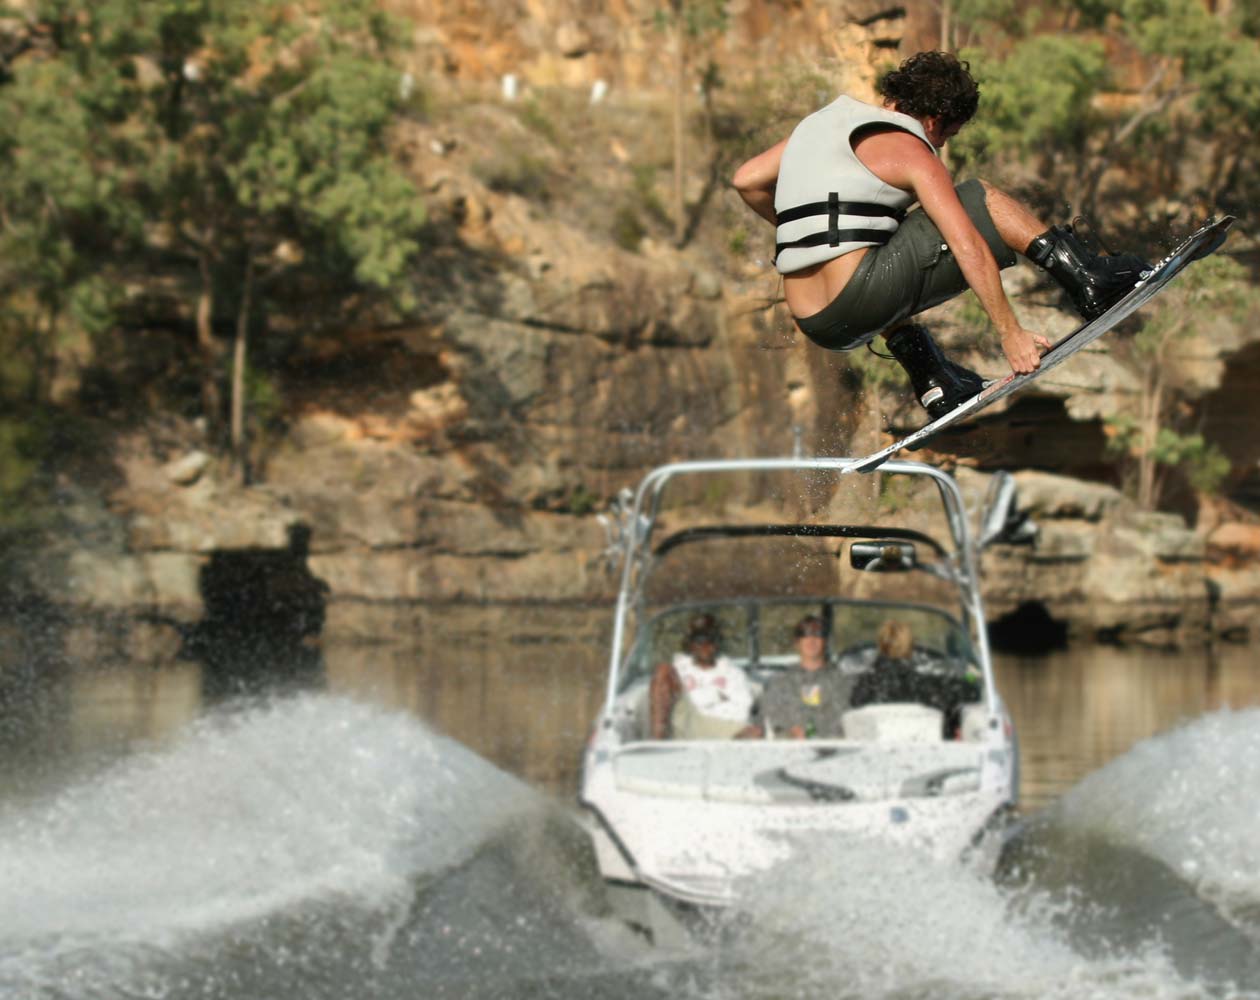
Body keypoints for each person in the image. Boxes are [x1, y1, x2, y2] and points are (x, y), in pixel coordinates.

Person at [732, 51, 1150, 420]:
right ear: (934, 121)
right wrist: (1011, 332)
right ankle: (1088, 279)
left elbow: (747, 179)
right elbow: (968, 245)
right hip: (859, 298)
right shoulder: (912, 150)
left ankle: (933, 380)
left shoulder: (821, 125)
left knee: (877, 251)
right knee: (979, 196)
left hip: (813, 320)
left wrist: (809, 238)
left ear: (894, 98)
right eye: (946, 136)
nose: (942, 146)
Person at [849, 619, 980, 737]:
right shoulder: (923, 686)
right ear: (910, 648)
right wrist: (971, 676)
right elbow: (970, 692)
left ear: (880, 645)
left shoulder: (861, 690)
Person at [649, 613, 757, 740]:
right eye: (699, 639)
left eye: (711, 638)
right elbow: (673, 711)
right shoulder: (677, 671)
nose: (705, 644)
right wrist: (716, 696)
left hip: (721, 728)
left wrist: (701, 703)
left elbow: (741, 713)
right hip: (688, 725)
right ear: (690, 643)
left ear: (717, 642)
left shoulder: (734, 674)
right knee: (662, 670)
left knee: (755, 733)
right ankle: (657, 745)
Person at [750, 614, 855, 739]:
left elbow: (850, 721)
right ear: (797, 643)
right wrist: (789, 732)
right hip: (790, 750)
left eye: (817, 634)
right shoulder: (780, 682)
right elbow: (761, 720)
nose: (811, 640)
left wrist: (816, 734)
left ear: (825, 641)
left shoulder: (843, 682)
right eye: (804, 634)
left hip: (835, 749)